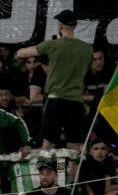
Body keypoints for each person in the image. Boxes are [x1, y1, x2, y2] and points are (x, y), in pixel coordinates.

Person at [16, 10, 93, 152]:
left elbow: (21, 53)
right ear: (75, 25)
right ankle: (72, 174)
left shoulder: (53, 45)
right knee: (74, 146)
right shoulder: (87, 49)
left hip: (55, 99)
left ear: (59, 26)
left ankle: (45, 173)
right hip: (76, 101)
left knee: (48, 143)